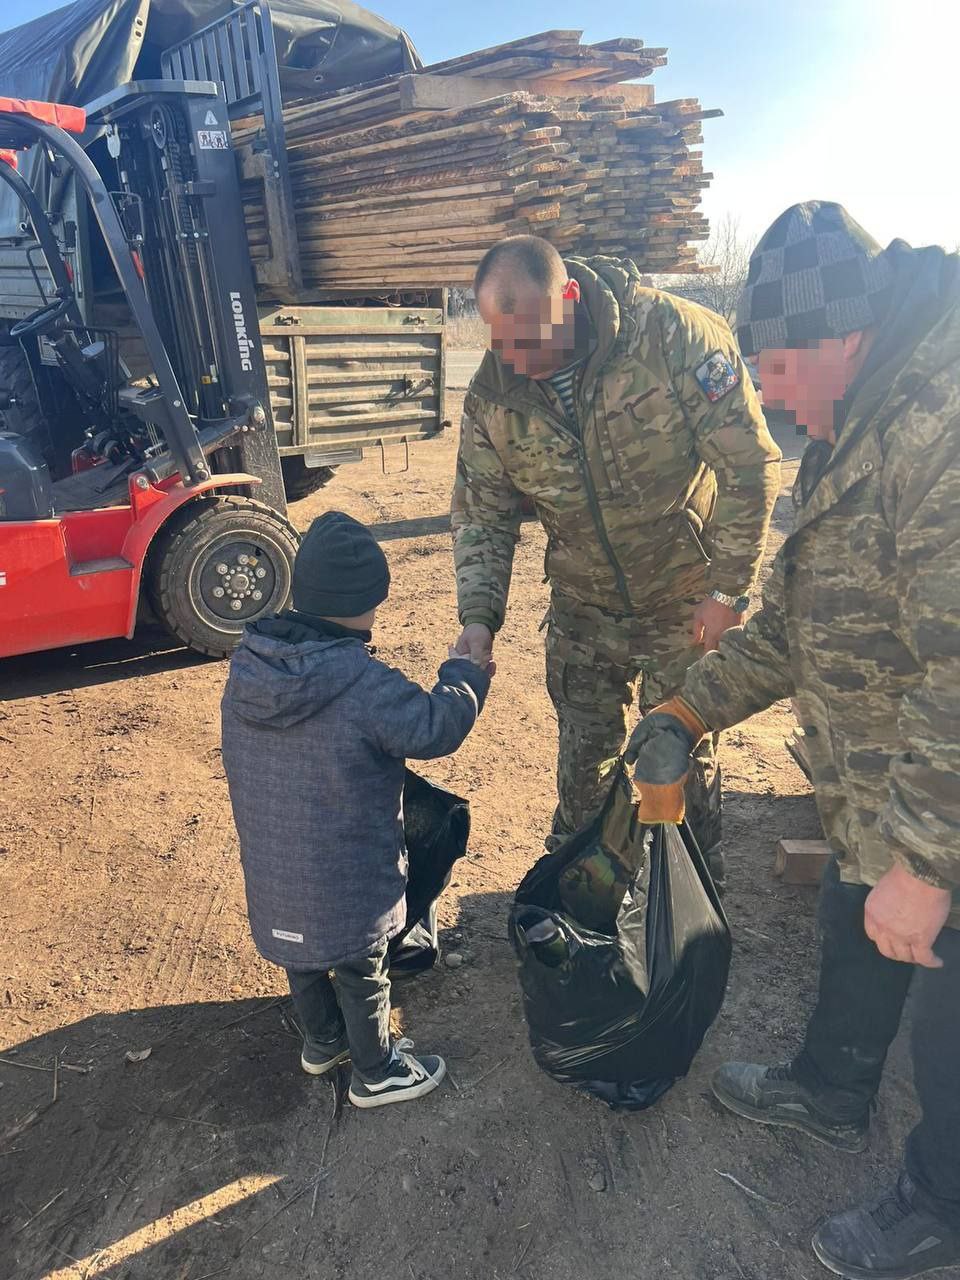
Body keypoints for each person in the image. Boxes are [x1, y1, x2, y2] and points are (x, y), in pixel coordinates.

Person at [627, 202, 960, 1278]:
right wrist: (685, 707)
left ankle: (943, 1207)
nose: (763, 393)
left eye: (772, 366)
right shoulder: (850, 420)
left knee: (950, 1021)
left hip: (945, 798)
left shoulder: (941, 421)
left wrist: (926, 858)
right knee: (852, 916)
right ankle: (829, 1088)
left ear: (841, 339)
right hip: (880, 788)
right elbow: (794, 625)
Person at [452, 235, 781, 880]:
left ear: (568, 298)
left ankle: (688, 893)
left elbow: (748, 467)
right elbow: (483, 514)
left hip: (684, 597)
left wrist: (729, 592)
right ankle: (584, 893)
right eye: (502, 342)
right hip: (583, 602)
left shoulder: (673, 337)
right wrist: (477, 619)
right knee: (583, 766)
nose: (519, 361)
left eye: (531, 341)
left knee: (678, 753)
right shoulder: (494, 396)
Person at [221, 511, 491, 1109]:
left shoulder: (249, 670)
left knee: (304, 960)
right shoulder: (361, 682)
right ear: (362, 603)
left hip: (275, 873)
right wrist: (464, 673)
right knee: (361, 969)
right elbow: (435, 727)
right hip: (346, 878)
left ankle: (322, 1043)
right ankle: (376, 1070)